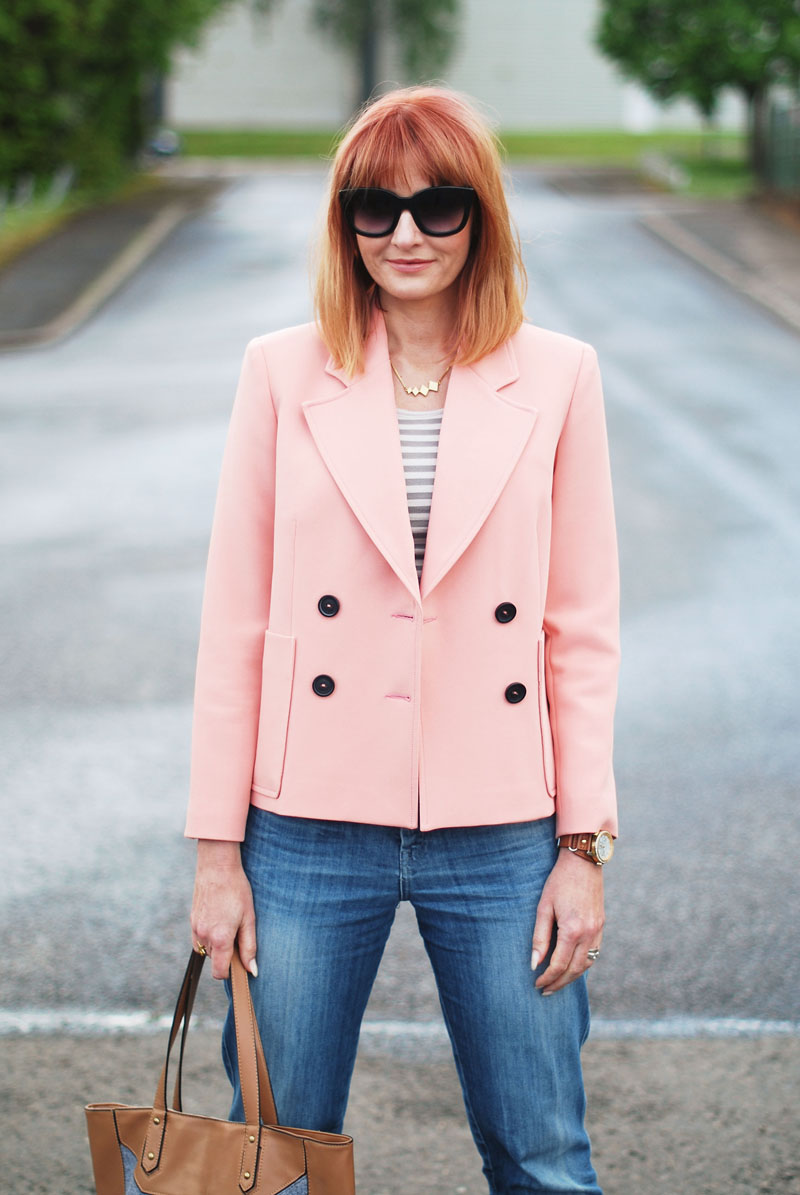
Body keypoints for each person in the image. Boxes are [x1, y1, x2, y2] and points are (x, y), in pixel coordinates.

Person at [187, 85, 619, 1195]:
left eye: (437, 205)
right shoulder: (280, 372)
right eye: (373, 208)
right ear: (343, 224)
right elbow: (235, 622)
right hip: (305, 827)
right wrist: (215, 855)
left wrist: (582, 849)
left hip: (501, 830)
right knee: (269, 1157)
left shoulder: (559, 374)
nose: (405, 234)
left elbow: (578, 630)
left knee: (541, 1155)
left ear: (481, 218)